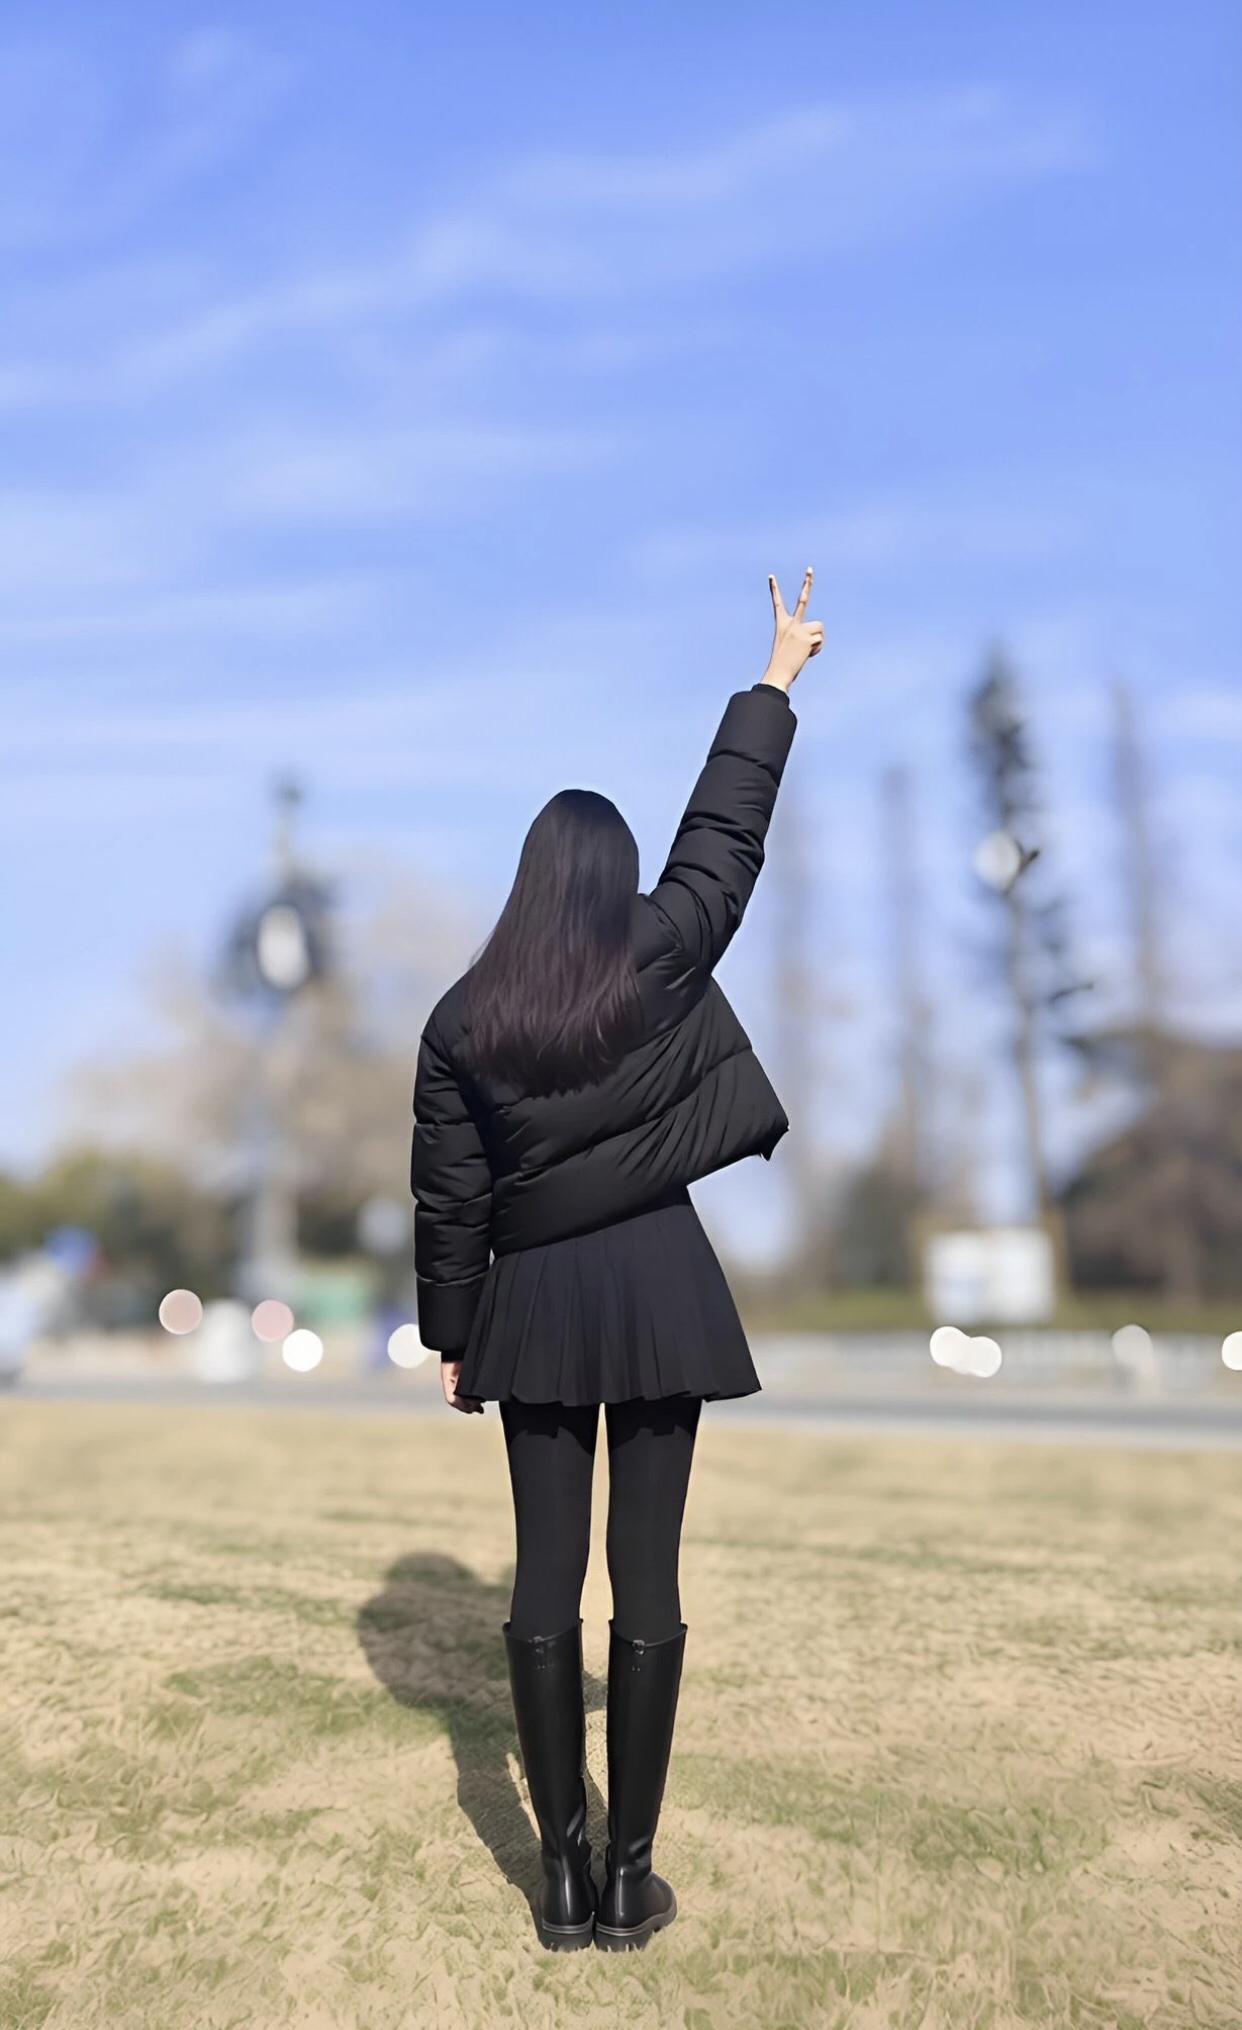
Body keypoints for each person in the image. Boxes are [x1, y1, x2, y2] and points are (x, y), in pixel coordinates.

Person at [411, 567, 823, 1952]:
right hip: (656, 1292)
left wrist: (450, 1330)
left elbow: (447, 1192)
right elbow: (722, 846)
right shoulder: (653, 953)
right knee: (646, 1579)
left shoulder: (466, 1019)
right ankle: (628, 1873)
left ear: (530, 881)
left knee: (541, 1578)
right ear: (610, 878)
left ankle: (560, 1874)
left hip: (531, 1305)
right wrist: (771, 681)